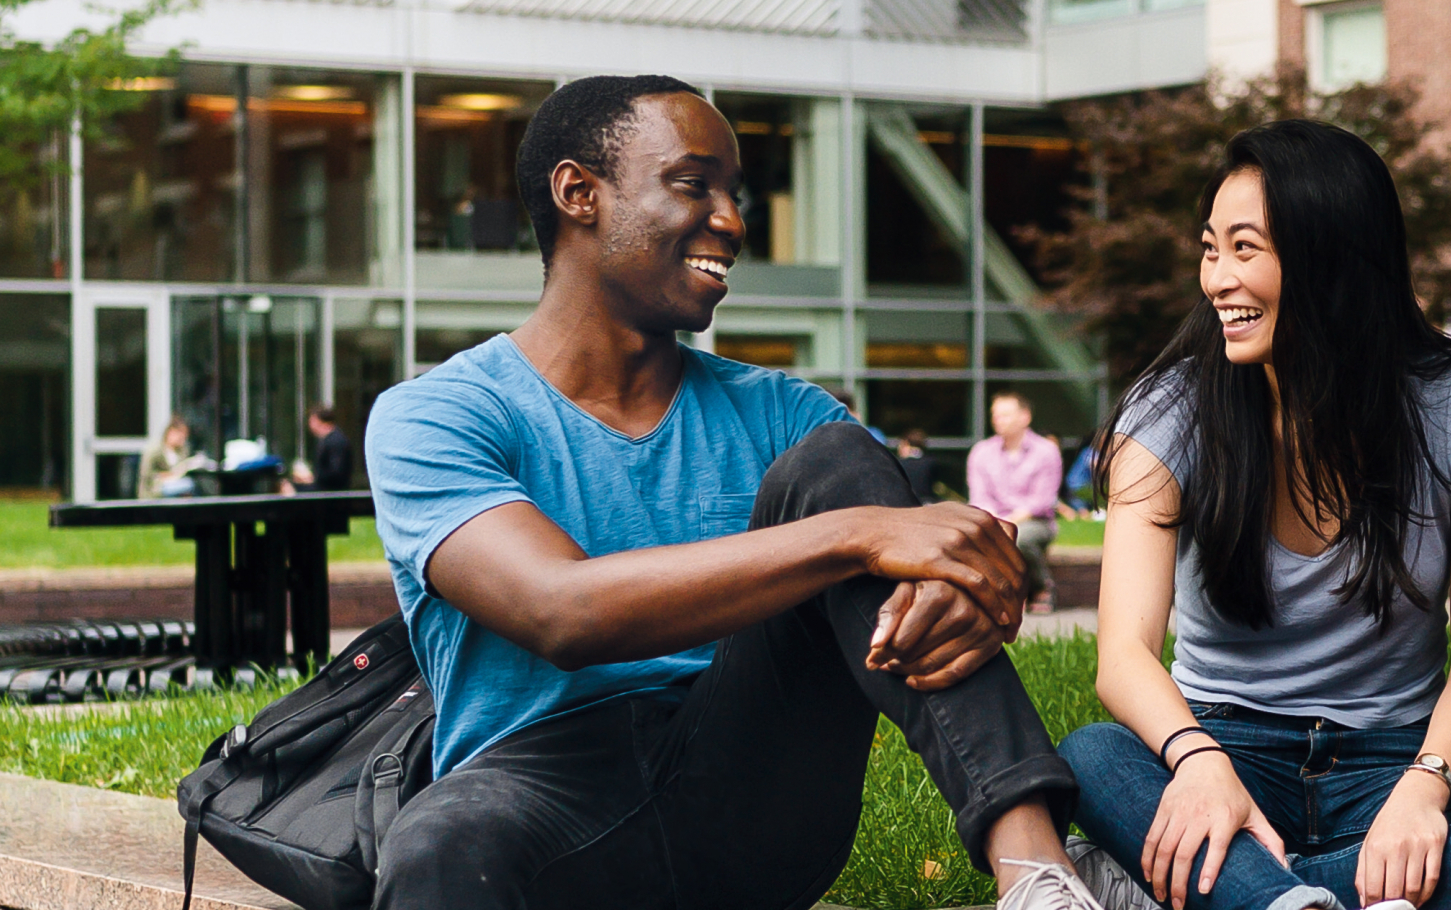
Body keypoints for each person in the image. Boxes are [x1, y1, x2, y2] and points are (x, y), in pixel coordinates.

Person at [363, 75, 1112, 910]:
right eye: (693, 185)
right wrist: (858, 536)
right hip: (537, 801)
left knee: (836, 462)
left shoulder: (789, 417)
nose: (732, 220)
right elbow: (560, 613)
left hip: (755, 782)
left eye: (734, 192)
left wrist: (975, 585)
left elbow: (939, 582)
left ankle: (1042, 876)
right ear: (580, 193)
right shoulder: (434, 417)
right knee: (434, 846)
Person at [1058, 120, 1451, 910]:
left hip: (1392, 763)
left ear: (1331, 257)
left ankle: (1235, 894)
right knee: (1092, 759)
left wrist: (1424, 791)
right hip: (1222, 748)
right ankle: (1306, 898)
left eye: (1245, 249)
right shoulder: (1169, 411)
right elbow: (1123, 653)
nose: (1217, 279)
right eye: (1211, 249)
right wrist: (1196, 763)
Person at [971, 390, 1066, 613]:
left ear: (1025, 417)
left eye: (1005, 415)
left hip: (1035, 521)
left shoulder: (1046, 451)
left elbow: (1043, 501)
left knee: (1020, 538)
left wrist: (1010, 522)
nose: (997, 420)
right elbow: (979, 498)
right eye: (995, 415)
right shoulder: (981, 452)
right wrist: (997, 522)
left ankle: (1040, 587)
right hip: (993, 520)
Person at [139, 415, 212, 498]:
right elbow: (147, 476)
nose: (183, 439)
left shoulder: (183, 450)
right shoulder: (154, 451)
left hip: (177, 484)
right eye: (180, 435)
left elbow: (182, 469)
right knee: (189, 485)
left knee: (194, 485)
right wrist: (168, 475)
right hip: (157, 488)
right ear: (171, 432)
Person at [290, 404, 353, 492]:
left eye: (311, 421)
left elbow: (336, 473)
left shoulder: (335, 441)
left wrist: (312, 478)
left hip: (330, 492)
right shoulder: (329, 440)